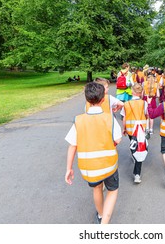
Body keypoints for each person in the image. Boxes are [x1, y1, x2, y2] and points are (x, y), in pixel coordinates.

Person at [65, 82, 122, 224]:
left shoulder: (79, 120)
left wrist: (69, 169)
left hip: (89, 168)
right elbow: (118, 139)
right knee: (112, 190)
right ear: (103, 99)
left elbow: (73, 145)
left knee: (96, 189)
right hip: (108, 165)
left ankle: (101, 214)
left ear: (86, 99)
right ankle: (104, 224)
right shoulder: (110, 119)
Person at [120, 83, 148, 184]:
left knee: (134, 145)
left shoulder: (126, 104)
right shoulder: (144, 103)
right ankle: (137, 174)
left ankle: (134, 158)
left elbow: (124, 118)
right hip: (141, 129)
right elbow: (146, 114)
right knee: (140, 147)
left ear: (132, 92)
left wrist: (124, 128)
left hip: (131, 129)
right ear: (141, 93)